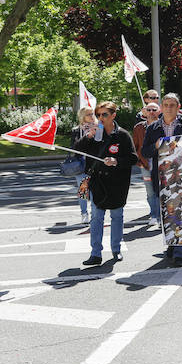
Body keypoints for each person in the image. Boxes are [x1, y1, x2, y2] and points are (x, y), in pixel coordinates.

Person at [77, 101, 138, 266]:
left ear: (113, 115)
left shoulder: (123, 135)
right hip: (98, 183)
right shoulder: (95, 133)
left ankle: (116, 250)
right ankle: (95, 253)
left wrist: (116, 161)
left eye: (104, 114)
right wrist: (88, 136)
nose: (100, 118)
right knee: (96, 217)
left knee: (117, 216)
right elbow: (77, 150)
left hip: (117, 183)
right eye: (98, 115)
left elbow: (133, 158)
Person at [141, 94, 182, 267]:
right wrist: (156, 146)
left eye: (172, 105)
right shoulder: (153, 128)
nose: (169, 108)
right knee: (168, 213)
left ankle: (180, 252)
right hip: (162, 177)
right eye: (165, 105)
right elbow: (145, 152)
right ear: (161, 107)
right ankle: (172, 244)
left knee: (180, 213)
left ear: (178, 107)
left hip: (181, 175)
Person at [132, 102, 161, 226]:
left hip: (160, 164)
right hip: (145, 165)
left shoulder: (162, 126)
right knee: (150, 192)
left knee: (160, 191)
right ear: (145, 112)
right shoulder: (139, 128)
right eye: (148, 109)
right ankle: (153, 215)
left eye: (154, 109)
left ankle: (160, 216)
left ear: (159, 111)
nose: (151, 112)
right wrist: (139, 161)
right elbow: (135, 146)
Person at [71, 107, 97, 224]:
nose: (91, 116)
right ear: (82, 116)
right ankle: (84, 213)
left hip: (96, 164)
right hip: (82, 165)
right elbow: (74, 147)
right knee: (83, 190)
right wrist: (87, 136)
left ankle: (95, 214)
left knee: (96, 191)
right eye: (88, 114)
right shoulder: (77, 130)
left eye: (92, 114)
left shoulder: (99, 127)